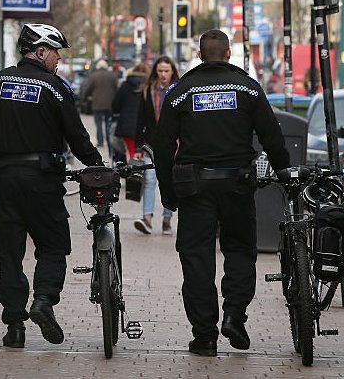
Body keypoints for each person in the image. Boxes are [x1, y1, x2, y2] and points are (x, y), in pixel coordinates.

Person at [154, 29, 290, 357]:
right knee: (240, 251)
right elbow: (272, 136)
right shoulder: (248, 88)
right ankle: (234, 315)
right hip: (237, 186)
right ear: (229, 54)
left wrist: (168, 192)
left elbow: (161, 146)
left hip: (195, 188)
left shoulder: (180, 91)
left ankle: (204, 336)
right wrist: (284, 172)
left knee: (197, 258)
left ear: (200, 56)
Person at [0, 23, 103, 350]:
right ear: (41, 51)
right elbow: (77, 138)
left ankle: (14, 326)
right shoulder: (55, 88)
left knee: (10, 254)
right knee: (53, 245)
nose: (58, 59)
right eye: (55, 52)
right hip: (43, 182)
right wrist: (98, 164)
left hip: (6, 181)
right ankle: (44, 301)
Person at [133, 56, 180, 236]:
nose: (163, 75)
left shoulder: (178, 91)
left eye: (166, 71)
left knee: (169, 180)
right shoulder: (148, 91)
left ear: (172, 72)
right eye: (160, 71)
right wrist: (138, 147)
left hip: (173, 144)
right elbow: (140, 120)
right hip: (151, 143)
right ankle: (147, 218)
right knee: (150, 180)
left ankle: (167, 218)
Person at [111, 63, 149, 160]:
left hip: (127, 125)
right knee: (146, 154)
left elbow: (115, 105)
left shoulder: (125, 85)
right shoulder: (150, 86)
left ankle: (134, 171)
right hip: (146, 126)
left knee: (131, 152)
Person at [79, 59, 118, 148]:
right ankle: (109, 141)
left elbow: (88, 89)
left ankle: (100, 142)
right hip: (110, 104)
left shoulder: (93, 76)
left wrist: (83, 100)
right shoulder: (112, 75)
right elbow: (117, 89)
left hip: (97, 104)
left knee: (99, 123)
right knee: (108, 123)